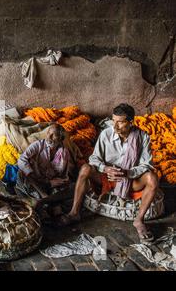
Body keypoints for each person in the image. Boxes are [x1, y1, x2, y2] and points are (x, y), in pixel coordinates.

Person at [59, 104, 158, 243]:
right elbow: (94, 158)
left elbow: (146, 164)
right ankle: (74, 212)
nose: (115, 126)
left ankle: (139, 220)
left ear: (131, 122)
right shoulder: (106, 133)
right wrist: (105, 169)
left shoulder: (142, 137)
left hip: (130, 179)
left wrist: (127, 173)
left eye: (121, 122)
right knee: (85, 168)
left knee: (152, 178)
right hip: (107, 176)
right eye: (113, 120)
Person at [16, 123, 73, 207]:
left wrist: (58, 181)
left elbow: (64, 174)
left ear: (61, 139)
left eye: (54, 135)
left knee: (68, 187)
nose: (49, 137)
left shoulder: (64, 152)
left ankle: (48, 201)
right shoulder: (38, 145)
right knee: (22, 172)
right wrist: (37, 177)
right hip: (36, 179)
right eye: (49, 133)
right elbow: (21, 160)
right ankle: (44, 196)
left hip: (51, 181)